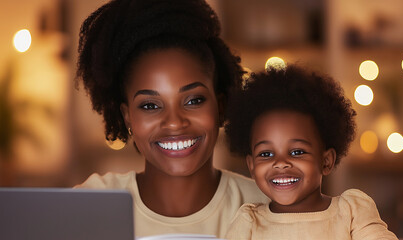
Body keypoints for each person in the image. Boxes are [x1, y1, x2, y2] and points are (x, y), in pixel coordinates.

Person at [74, 0, 268, 238]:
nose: (175, 122)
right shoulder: (91, 204)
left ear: (220, 106)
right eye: (150, 105)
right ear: (128, 119)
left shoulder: (267, 206)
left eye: (193, 100)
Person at [224, 64, 398, 239]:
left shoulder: (351, 213)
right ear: (252, 165)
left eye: (297, 152)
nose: (281, 163)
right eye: (266, 154)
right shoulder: (249, 223)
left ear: (326, 161)